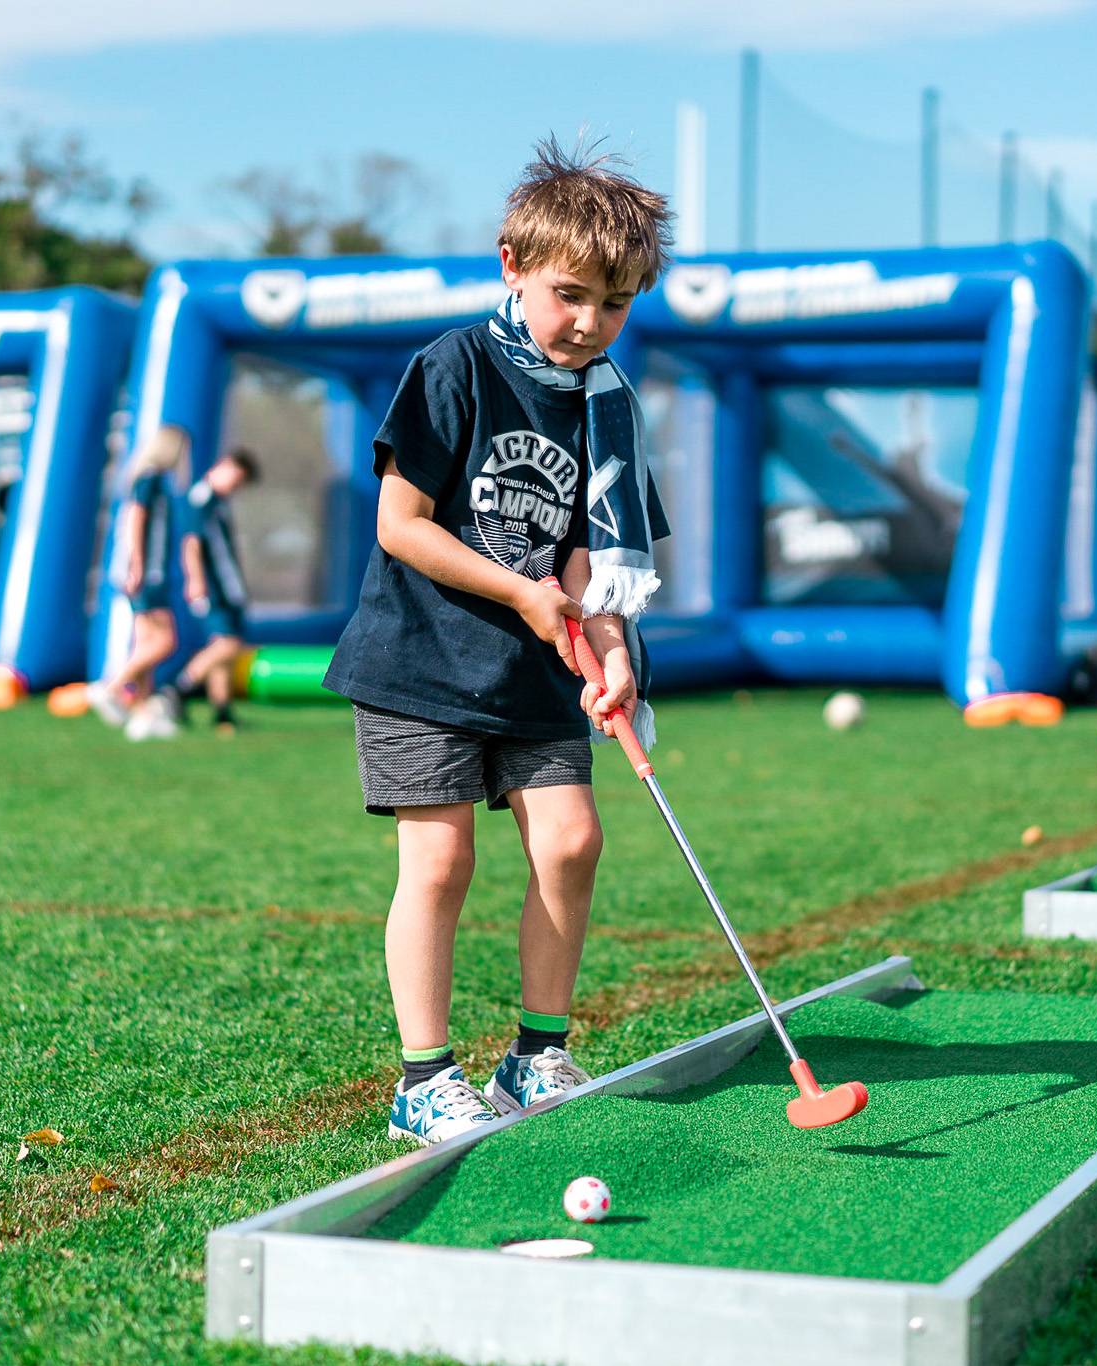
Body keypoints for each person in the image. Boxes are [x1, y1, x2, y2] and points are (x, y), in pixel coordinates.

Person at [323, 139, 673, 1144]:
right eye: (569, 294)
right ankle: (423, 1078)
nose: (587, 322)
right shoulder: (454, 366)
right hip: (419, 660)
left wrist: (606, 655)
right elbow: (402, 524)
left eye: (612, 303)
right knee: (437, 865)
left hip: (533, 666)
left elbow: (588, 568)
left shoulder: (606, 409)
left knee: (572, 840)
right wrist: (518, 592)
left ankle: (535, 1055)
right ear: (511, 264)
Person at [89, 425, 183, 736]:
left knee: (144, 644)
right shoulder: (151, 478)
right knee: (165, 642)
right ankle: (111, 687)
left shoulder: (147, 477)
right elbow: (136, 517)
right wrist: (139, 564)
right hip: (148, 572)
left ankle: (143, 717)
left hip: (141, 570)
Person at [160, 445, 259, 736]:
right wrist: (196, 579)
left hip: (228, 588)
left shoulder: (218, 501)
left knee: (223, 648)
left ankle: (222, 711)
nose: (236, 487)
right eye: (237, 479)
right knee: (228, 645)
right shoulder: (201, 498)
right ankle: (177, 689)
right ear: (225, 465)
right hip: (213, 588)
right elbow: (191, 543)